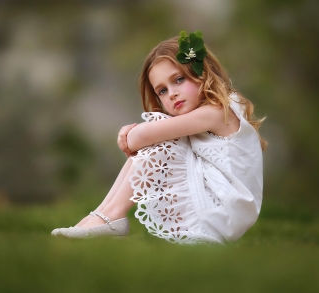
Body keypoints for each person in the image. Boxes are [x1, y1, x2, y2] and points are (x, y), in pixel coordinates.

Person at [51, 31, 267, 244]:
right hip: (209, 206)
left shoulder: (216, 112)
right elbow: (142, 139)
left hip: (218, 214)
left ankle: (112, 215)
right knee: (159, 135)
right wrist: (138, 137)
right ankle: (101, 215)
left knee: (160, 136)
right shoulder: (205, 117)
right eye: (162, 91)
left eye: (179, 79)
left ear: (203, 73)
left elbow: (139, 139)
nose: (171, 93)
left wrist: (130, 133)